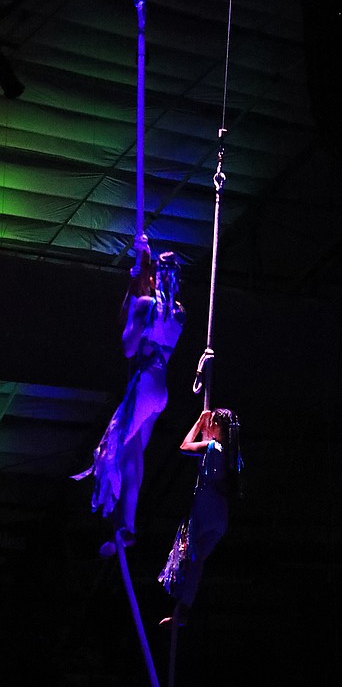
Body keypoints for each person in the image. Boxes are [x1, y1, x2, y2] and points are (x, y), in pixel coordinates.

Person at [74, 235, 184, 555]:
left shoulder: (147, 305)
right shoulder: (178, 312)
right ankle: (127, 527)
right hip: (160, 391)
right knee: (134, 456)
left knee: (111, 450)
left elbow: (127, 347)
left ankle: (111, 510)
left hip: (144, 386)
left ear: (154, 277)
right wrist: (136, 285)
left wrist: (133, 296)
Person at [158, 407, 242, 627]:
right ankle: (183, 610)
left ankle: (179, 603)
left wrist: (198, 422)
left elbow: (184, 446)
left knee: (187, 556)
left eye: (210, 422)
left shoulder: (212, 447)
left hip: (205, 508)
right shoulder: (230, 453)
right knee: (196, 562)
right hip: (220, 515)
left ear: (215, 425)